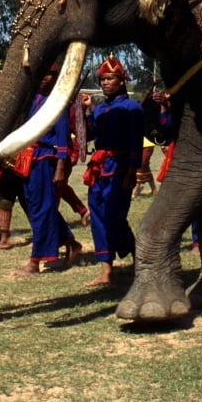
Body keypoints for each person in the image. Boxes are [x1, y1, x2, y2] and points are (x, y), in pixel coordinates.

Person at [12, 65, 81, 278]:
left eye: (49, 74)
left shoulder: (56, 102)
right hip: (27, 157)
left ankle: (35, 260)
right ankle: (70, 242)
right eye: (42, 73)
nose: (45, 78)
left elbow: (62, 135)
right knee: (35, 206)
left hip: (46, 158)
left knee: (42, 208)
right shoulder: (30, 99)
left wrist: (60, 166)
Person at [81, 56, 143, 286]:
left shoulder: (132, 108)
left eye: (110, 78)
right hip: (98, 168)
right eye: (102, 79)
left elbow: (136, 141)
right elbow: (90, 135)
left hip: (119, 167)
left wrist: (132, 171)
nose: (105, 83)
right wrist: (87, 112)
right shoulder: (99, 109)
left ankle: (138, 256)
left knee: (114, 217)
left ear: (121, 81)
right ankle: (106, 270)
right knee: (97, 217)